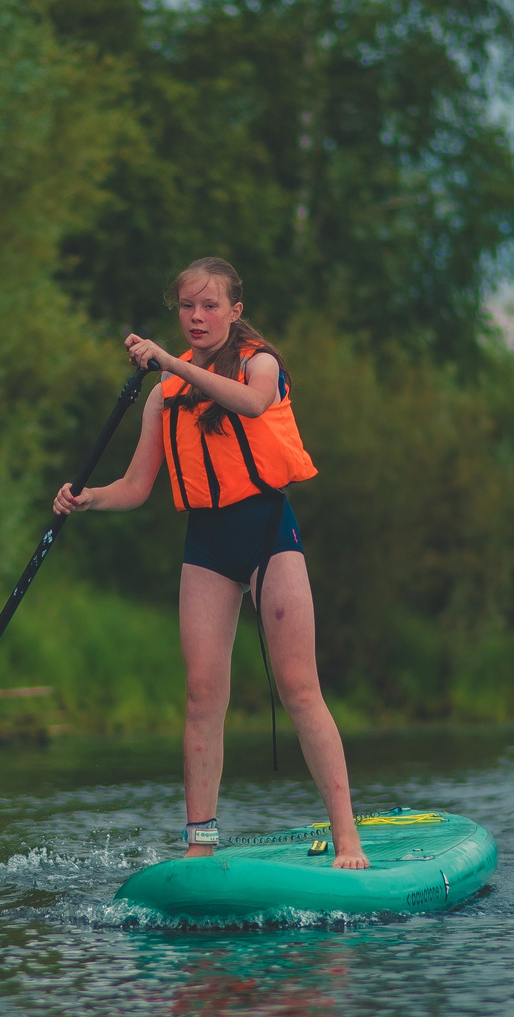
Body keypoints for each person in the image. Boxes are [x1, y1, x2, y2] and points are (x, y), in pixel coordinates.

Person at [53, 257, 369, 870]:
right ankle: (200, 841)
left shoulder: (259, 363)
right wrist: (87, 498)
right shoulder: (164, 396)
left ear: (234, 310)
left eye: (209, 305)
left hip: (268, 534)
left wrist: (170, 363)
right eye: (186, 306)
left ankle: (348, 839)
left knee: (300, 688)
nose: (196, 317)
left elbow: (251, 405)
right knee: (201, 697)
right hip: (207, 545)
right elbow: (136, 487)